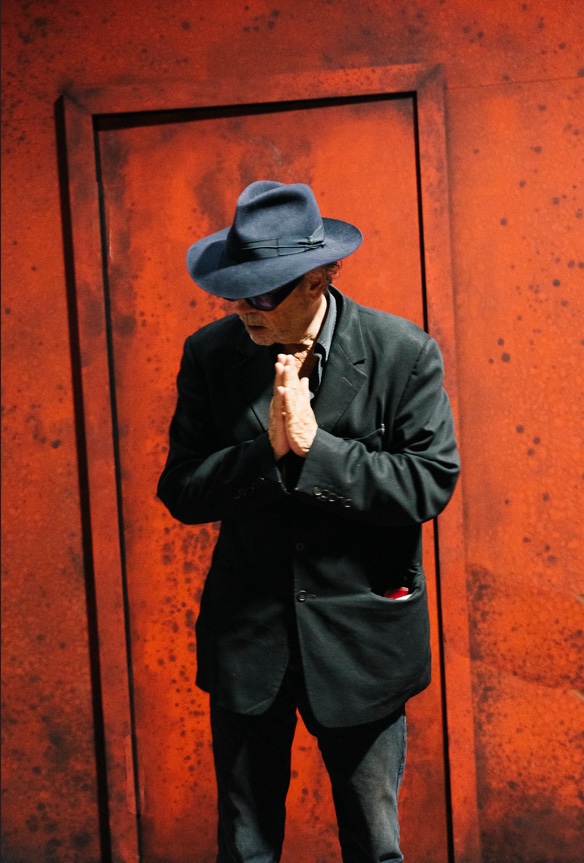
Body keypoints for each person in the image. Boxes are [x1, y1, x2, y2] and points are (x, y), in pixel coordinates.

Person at [157, 180, 460, 863]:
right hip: (249, 644)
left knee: (374, 848)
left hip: (362, 643)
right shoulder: (210, 354)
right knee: (246, 849)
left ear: (320, 278)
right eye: (234, 292)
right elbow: (182, 490)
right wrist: (263, 453)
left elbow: (428, 481)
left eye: (262, 294)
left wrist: (317, 450)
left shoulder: (403, 352)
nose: (243, 308)